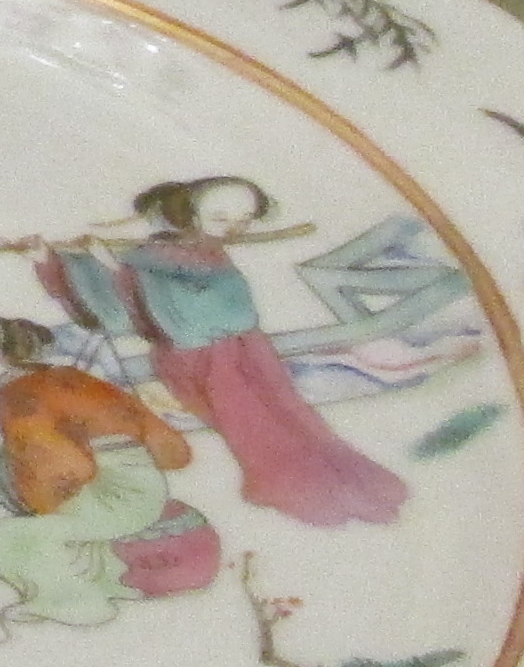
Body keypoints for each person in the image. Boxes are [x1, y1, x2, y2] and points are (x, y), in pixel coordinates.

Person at [39, 175, 404, 529]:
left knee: (288, 411)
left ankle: (341, 482)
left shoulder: (199, 252)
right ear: (187, 215)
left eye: (243, 220)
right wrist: (91, 264)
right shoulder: (150, 256)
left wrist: (119, 266)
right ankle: (301, 487)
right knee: (251, 422)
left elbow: (221, 296)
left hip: (247, 348)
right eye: (220, 219)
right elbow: (128, 311)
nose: (233, 228)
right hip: (199, 357)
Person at [0, 315, 200, 629]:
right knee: (26, 522)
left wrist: (26, 500)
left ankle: (80, 605)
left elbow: (64, 467)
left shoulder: (22, 397)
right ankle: (90, 587)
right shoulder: (58, 376)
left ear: (2, 351)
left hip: (115, 495)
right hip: (140, 481)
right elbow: (160, 441)